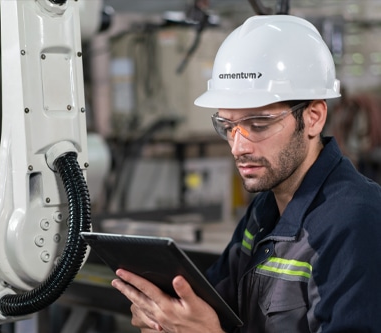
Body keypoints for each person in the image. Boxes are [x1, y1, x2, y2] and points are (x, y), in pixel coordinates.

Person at [111, 14, 381, 332]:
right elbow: (216, 305)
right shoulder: (265, 209)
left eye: (258, 124)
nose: (238, 147)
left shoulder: (354, 222)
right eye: (228, 126)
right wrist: (166, 316)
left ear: (313, 117)